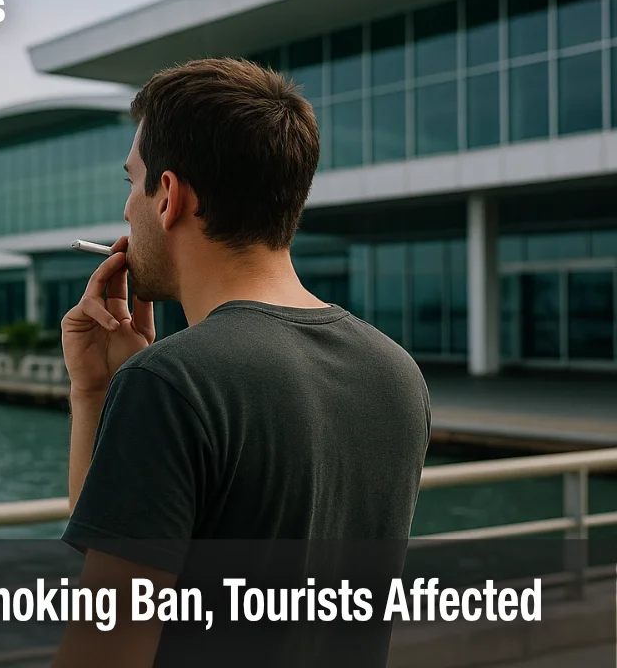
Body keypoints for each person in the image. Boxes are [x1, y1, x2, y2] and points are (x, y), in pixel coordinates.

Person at [52, 58, 431, 666]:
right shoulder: (396, 373)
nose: (127, 210)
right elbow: (121, 539)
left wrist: (137, 389)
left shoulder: (172, 384)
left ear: (170, 196)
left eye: (132, 183)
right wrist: (95, 392)